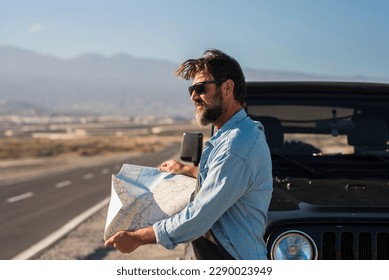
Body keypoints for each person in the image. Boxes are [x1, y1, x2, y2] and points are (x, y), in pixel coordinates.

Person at [105, 49, 273, 260]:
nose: (194, 96)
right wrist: (185, 169)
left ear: (227, 88)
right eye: (191, 89)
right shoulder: (233, 136)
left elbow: (199, 217)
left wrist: (138, 237)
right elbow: (222, 180)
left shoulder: (236, 145)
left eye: (201, 88)